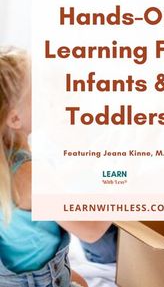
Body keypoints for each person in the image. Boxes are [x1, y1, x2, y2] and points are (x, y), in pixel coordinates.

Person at [0, 46, 111, 287]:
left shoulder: (8, 166)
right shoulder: (33, 176)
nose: (48, 95)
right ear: (15, 118)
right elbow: (93, 229)